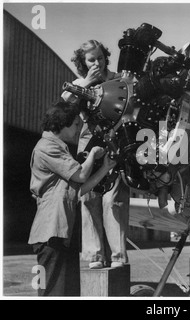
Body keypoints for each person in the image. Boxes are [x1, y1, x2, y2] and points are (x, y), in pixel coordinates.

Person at [28, 101, 117, 296]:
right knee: (51, 292)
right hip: (51, 234)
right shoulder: (47, 147)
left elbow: (79, 189)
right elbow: (81, 175)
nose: (79, 129)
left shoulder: (58, 148)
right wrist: (92, 154)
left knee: (68, 292)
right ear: (63, 123)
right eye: (76, 124)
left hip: (61, 234)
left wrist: (105, 168)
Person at [62, 40, 130, 269]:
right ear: (83, 62)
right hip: (89, 140)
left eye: (100, 58)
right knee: (88, 197)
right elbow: (64, 102)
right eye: (91, 59)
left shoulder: (117, 77)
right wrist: (87, 83)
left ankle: (118, 256)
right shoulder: (79, 83)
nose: (97, 63)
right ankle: (94, 255)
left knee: (114, 198)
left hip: (116, 137)